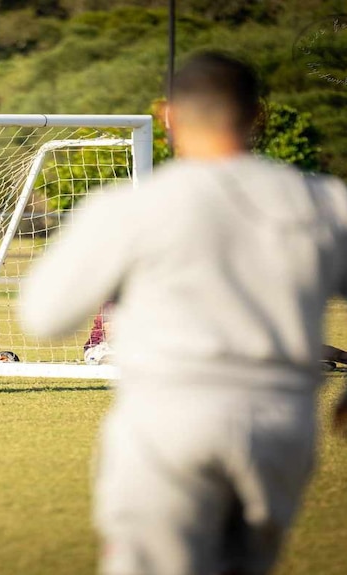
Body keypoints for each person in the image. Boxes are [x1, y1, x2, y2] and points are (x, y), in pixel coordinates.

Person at [19, 51, 347, 575]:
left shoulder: (130, 207)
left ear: (168, 116)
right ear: (256, 115)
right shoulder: (328, 202)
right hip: (283, 422)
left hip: (170, 416)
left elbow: (42, 316)